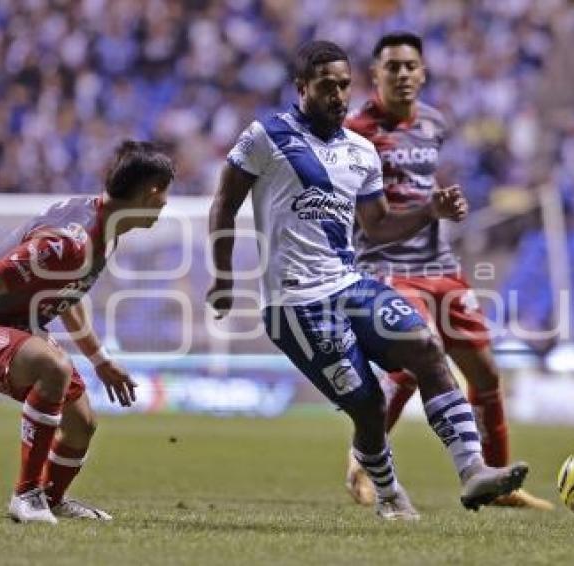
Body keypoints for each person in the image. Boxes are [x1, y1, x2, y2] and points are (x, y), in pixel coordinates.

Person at [207, 40, 528, 521]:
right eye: (326, 86)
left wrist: (429, 211)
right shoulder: (265, 136)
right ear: (301, 88)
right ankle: (389, 492)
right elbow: (224, 203)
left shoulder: (360, 151)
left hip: (349, 285)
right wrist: (223, 275)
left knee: (425, 346)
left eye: (343, 85)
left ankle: (473, 470)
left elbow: (378, 226)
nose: (338, 95)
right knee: (369, 406)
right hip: (295, 305)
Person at [0, 141, 175, 524]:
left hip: (21, 328)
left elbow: (66, 293)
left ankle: (51, 498)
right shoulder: (68, 241)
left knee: (82, 424)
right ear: (151, 190)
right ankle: (26, 495)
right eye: (165, 191)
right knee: (54, 367)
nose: (166, 203)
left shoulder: (105, 230)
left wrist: (100, 361)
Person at [343, 32, 553, 511]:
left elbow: (421, 184)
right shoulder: (356, 132)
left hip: (441, 266)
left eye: (409, 66)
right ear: (375, 75)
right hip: (387, 266)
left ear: (423, 73)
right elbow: (365, 214)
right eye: (391, 67)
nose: (401, 74)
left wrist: (446, 203)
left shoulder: (434, 123)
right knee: (418, 360)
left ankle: (501, 482)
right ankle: (361, 461)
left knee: (486, 372)